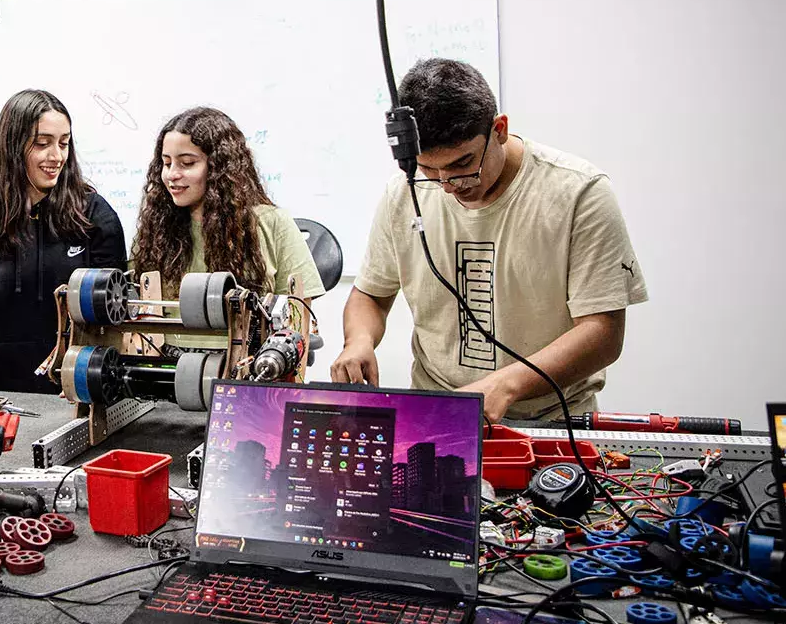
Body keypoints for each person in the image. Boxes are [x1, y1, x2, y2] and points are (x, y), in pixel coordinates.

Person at [333, 59, 647, 422]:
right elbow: (371, 293)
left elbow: (602, 334)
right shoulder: (404, 194)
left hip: (554, 422)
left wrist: (505, 385)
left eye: (462, 164)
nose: (449, 185)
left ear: (499, 129)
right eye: (429, 171)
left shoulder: (579, 193)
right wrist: (359, 341)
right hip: (440, 414)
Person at [0, 90, 126, 394]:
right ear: (12, 146)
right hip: (2, 391)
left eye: (63, 143)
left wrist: (89, 374)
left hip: (78, 389)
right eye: (42, 143)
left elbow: (114, 314)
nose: (57, 156)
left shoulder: (93, 215)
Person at [130, 107, 325, 351]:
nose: (172, 175)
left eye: (187, 163)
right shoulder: (156, 228)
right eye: (166, 163)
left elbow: (298, 314)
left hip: (247, 366)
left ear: (219, 167)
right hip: (168, 365)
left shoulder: (272, 222)